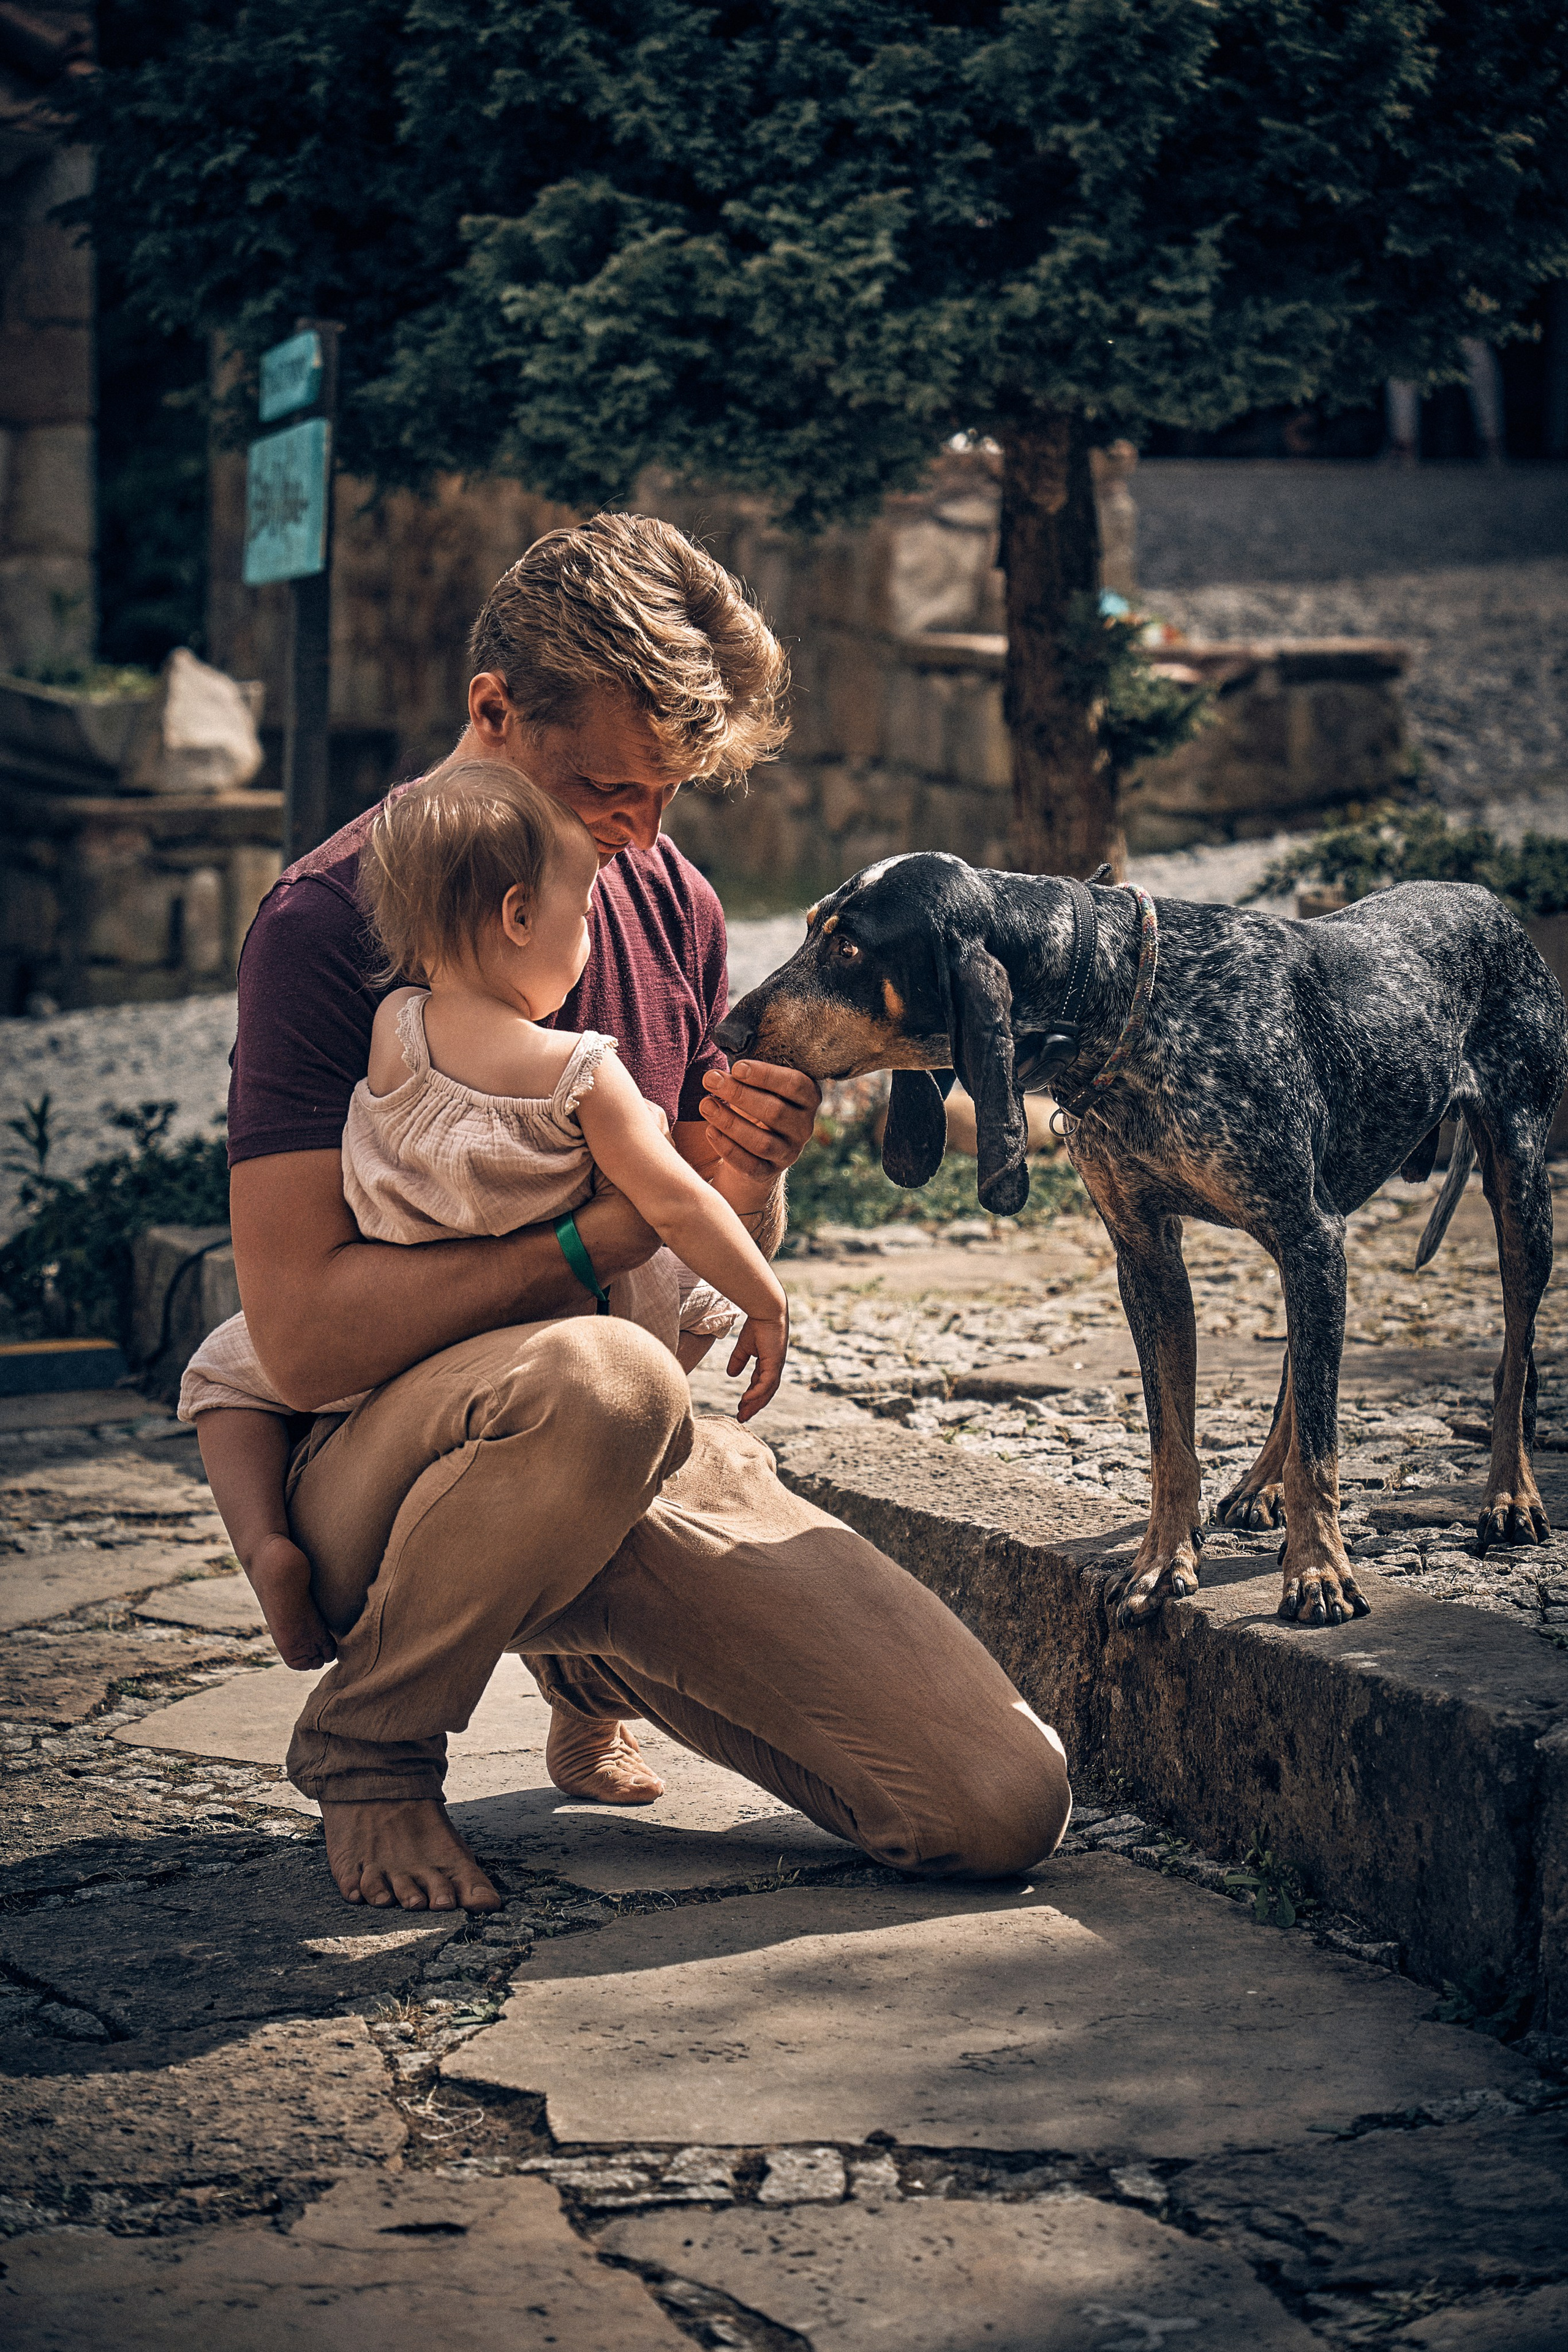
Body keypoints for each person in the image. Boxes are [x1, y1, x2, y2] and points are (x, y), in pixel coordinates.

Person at [227, 511, 1072, 1912]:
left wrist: (746, 1181)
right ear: (491, 710)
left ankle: (582, 1646)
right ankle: (372, 1751)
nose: (640, 833)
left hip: (625, 1445)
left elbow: (683, 1288)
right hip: (370, 1475)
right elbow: (303, 1343)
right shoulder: (326, 923)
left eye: (671, 793)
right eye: (609, 787)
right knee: (602, 1375)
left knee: (997, 1805)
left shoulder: (663, 894)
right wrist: (588, 1243)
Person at [185, 761, 788, 1711]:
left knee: (224, 1375)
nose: (593, 939)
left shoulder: (394, 1025)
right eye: (583, 916)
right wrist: (763, 1293)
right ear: (517, 917)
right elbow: (673, 1206)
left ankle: (264, 1540)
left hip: (389, 1330)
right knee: (649, 1349)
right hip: (527, 1347)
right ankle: (425, 1724)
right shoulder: (583, 1073)